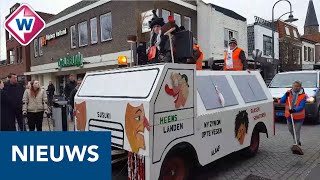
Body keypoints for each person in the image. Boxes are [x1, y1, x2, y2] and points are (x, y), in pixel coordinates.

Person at [279, 81, 306, 147]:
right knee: (291, 130)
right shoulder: (288, 93)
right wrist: (285, 95)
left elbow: (301, 106)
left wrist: (294, 110)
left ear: (300, 87)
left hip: (299, 117)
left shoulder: (303, 95)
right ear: (292, 86)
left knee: (296, 131)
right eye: (295, 86)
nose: (296, 88)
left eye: (298, 86)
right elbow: (281, 101)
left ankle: (295, 145)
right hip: (289, 116)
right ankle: (297, 140)